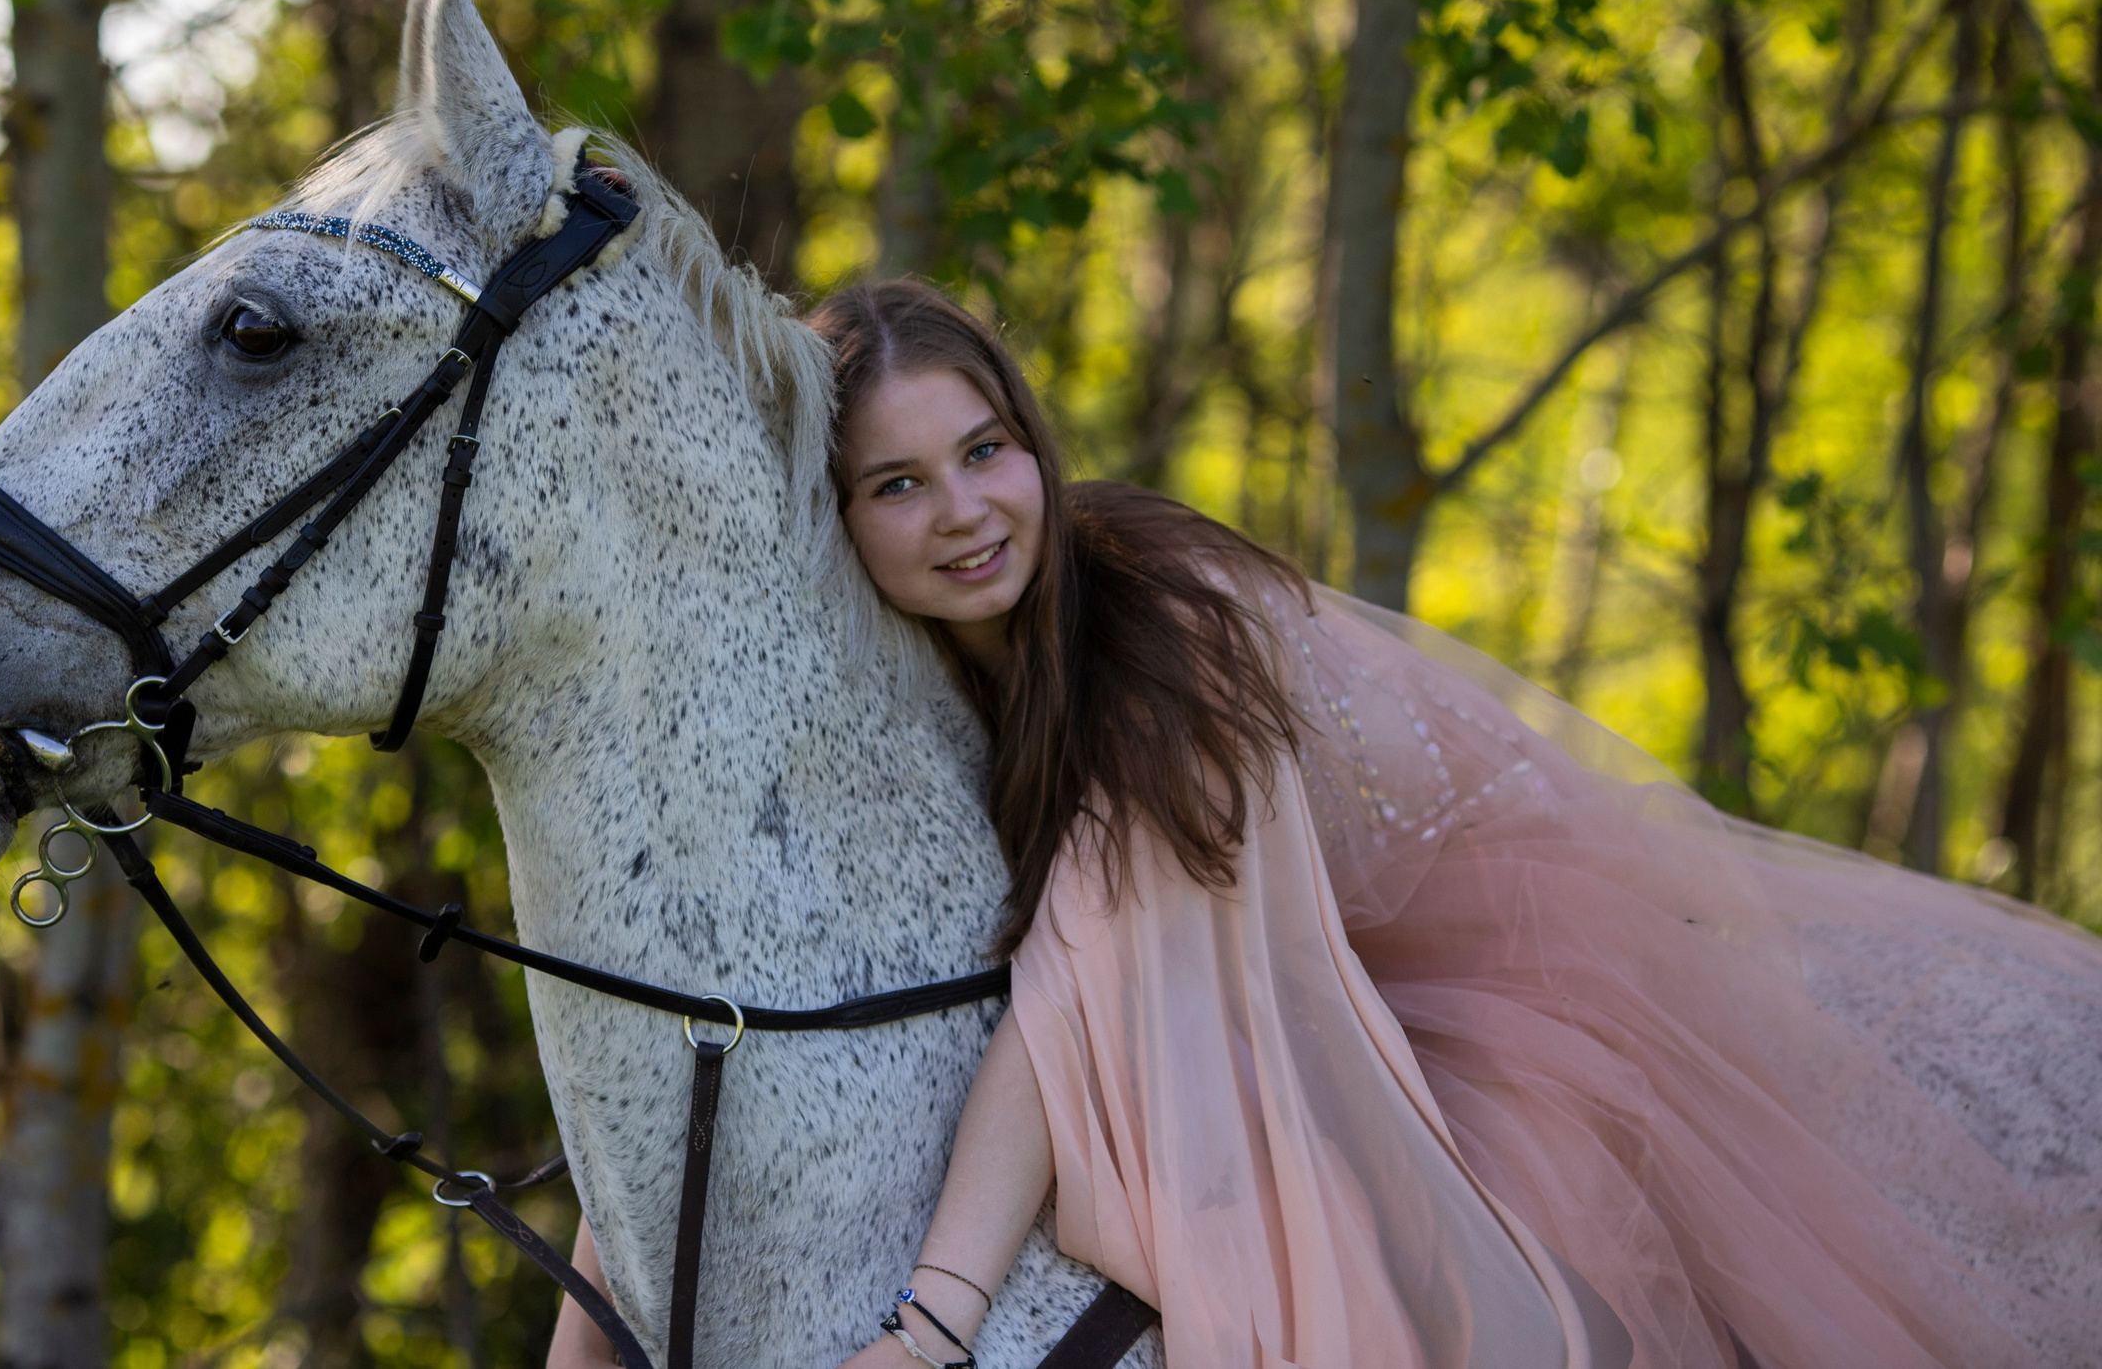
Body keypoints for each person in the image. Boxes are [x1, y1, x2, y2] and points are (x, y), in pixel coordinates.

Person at [551, 279, 2102, 1369]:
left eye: (984, 451)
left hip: (1372, 993)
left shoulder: (1160, 632)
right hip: (1187, 999)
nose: (963, 511)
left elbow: (1070, 984)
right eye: (896, 485)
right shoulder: (887, 685)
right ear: (834, 521)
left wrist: (931, 1328)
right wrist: (592, 1330)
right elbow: (749, 984)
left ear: (1032, 443)